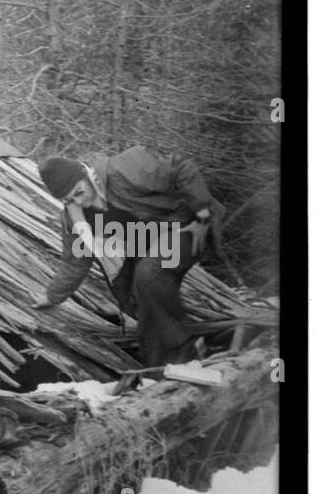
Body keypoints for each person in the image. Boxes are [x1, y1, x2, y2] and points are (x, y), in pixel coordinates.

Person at [31, 147, 225, 368]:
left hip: (187, 226)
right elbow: (76, 261)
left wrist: (202, 215)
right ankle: (158, 371)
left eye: (78, 192)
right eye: (68, 200)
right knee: (142, 307)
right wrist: (53, 295)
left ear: (86, 175)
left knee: (149, 274)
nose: (79, 201)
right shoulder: (74, 220)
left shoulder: (123, 169)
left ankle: (187, 352)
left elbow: (181, 168)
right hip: (150, 245)